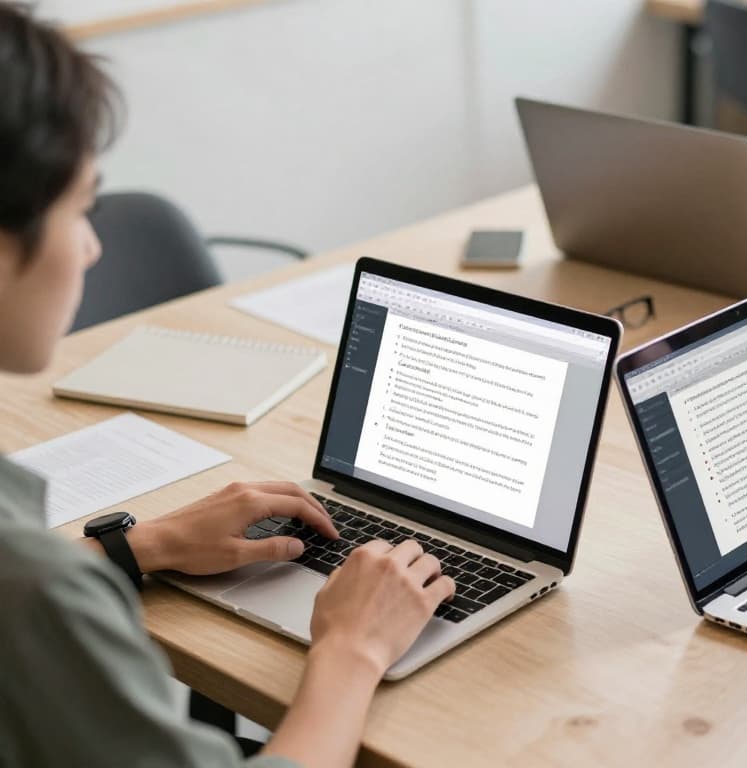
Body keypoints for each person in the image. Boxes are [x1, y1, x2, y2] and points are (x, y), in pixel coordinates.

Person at [0, 5, 456, 766]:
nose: (91, 246)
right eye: (79, 208)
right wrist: (353, 648)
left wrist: (141, 546)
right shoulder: (36, 593)